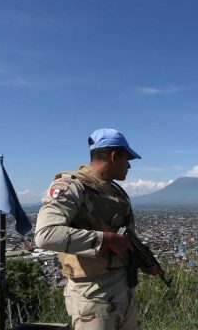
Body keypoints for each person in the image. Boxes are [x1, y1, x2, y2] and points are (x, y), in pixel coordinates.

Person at [35, 128, 155, 330]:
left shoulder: (114, 191)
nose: (129, 166)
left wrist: (142, 260)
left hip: (122, 292)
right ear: (115, 156)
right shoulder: (72, 186)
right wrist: (105, 240)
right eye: (127, 159)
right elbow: (45, 235)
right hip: (93, 297)